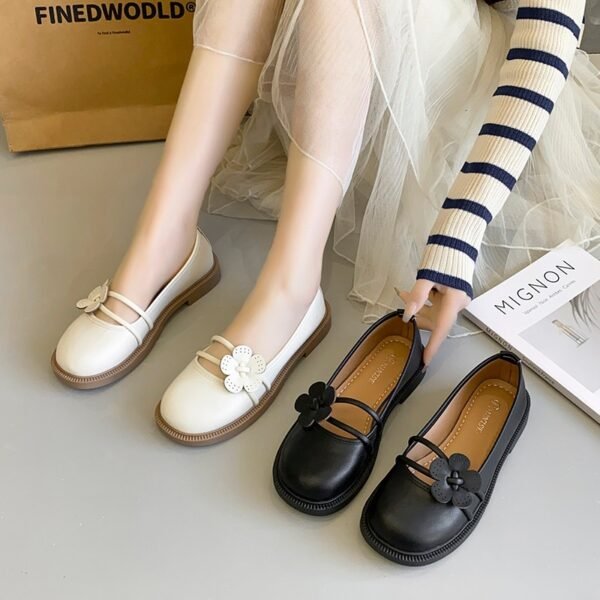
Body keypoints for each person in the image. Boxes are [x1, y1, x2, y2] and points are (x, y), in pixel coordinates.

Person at [54, 0, 598, 440]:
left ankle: (292, 288)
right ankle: (165, 239)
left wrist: (459, 228)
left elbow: (547, 39)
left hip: (461, 113)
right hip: (340, 71)